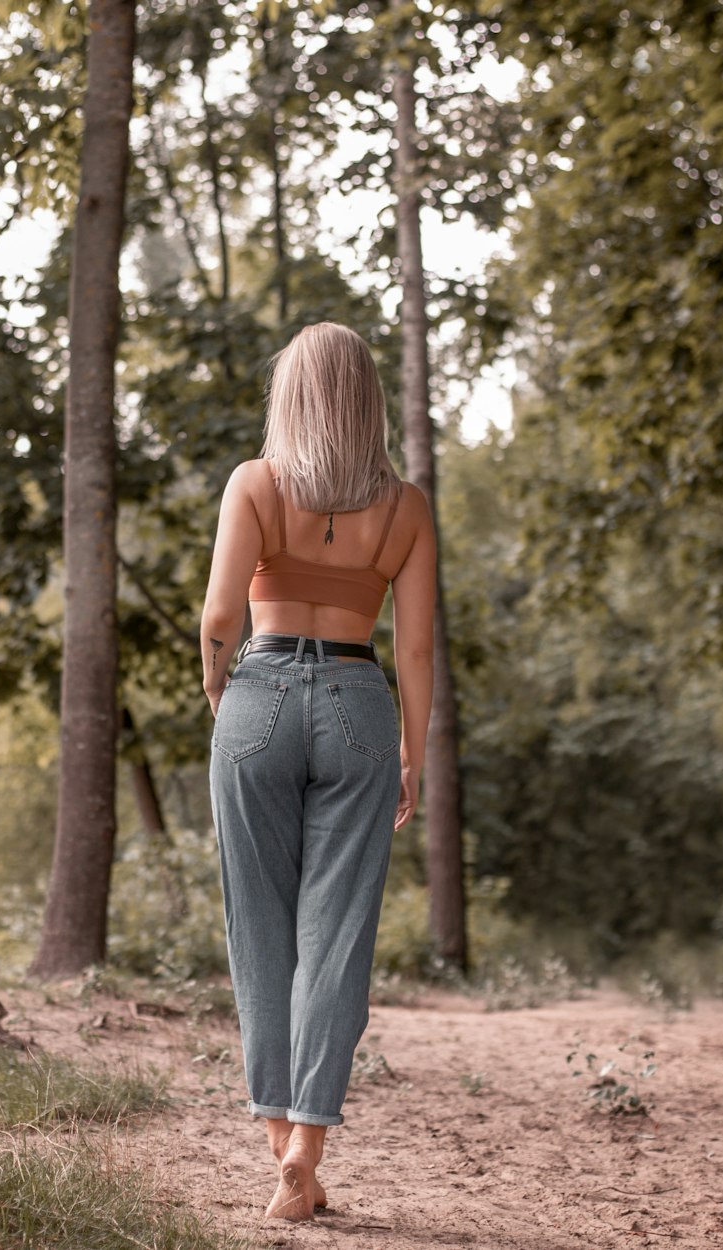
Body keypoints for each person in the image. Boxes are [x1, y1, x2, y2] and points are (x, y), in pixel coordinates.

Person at [199, 321, 435, 1222]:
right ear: (366, 399)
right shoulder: (404, 508)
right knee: (336, 935)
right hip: (358, 699)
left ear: (288, 396)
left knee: (259, 928)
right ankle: (307, 1145)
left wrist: (224, 692)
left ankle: (276, 1148)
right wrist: (415, 752)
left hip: (259, 690)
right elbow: (414, 647)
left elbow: (222, 613)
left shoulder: (255, 485)